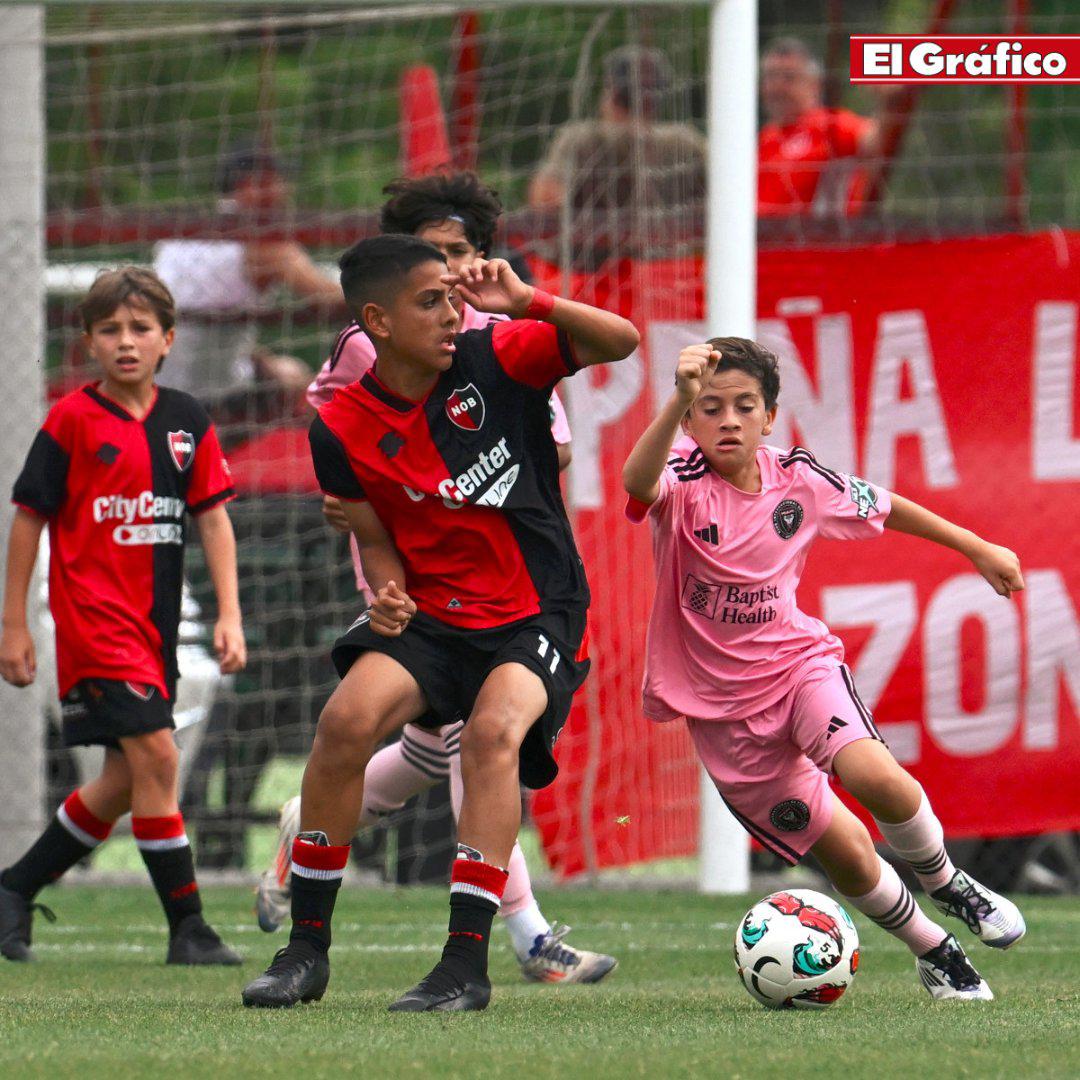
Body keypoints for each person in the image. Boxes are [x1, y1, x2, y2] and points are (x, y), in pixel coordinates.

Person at [241, 234, 639, 1011]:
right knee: (344, 722)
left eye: (454, 296)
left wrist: (529, 301)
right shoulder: (339, 427)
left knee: (491, 736)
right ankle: (305, 953)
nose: (453, 313)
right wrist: (388, 593)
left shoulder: (500, 356)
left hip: (536, 606)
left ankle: (465, 966)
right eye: (431, 301)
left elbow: (620, 340)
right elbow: (374, 540)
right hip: (431, 616)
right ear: (376, 321)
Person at [622, 337, 1026, 1001]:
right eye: (710, 408)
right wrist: (676, 398)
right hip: (721, 715)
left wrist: (976, 546)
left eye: (744, 406)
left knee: (875, 776)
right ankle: (936, 949)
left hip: (797, 669)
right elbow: (638, 485)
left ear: (769, 418)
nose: (728, 420)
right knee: (849, 855)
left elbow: (885, 505)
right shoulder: (681, 480)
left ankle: (948, 881)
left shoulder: (799, 480)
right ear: (689, 421)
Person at [0, 267, 246, 965]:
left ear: (169, 340)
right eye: (110, 330)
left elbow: (214, 520)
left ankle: (14, 888)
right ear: (88, 343)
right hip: (92, 626)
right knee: (159, 758)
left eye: (141, 329)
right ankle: (189, 927)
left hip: (152, 630)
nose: (126, 342)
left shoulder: (186, 419)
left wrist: (229, 614)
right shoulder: (71, 420)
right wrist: (14, 624)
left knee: (119, 781)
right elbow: (28, 519)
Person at [154, 143, 343, 407]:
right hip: (211, 392)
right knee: (308, 383)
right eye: (276, 181)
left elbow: (201, 323)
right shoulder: (266, 244)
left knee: (284, 367)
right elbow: (335, 299)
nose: (284, 191)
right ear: (251, 186)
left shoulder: (180, 233)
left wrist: (262, 359)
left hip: (151, 378)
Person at [528, 45, 706, 264]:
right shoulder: (686, 141)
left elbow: (545, 201)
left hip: (589, 275)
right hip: (668, 273)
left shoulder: (581, 138)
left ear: (611, 92)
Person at [758, 37, 888, 218]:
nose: (777, 87)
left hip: (813, 234)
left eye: (789, 78)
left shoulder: (830, 126)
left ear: (814, 84)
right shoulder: (764, 138)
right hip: (757, 234)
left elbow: (879, 141)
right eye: (770, 77)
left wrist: (887, 104)